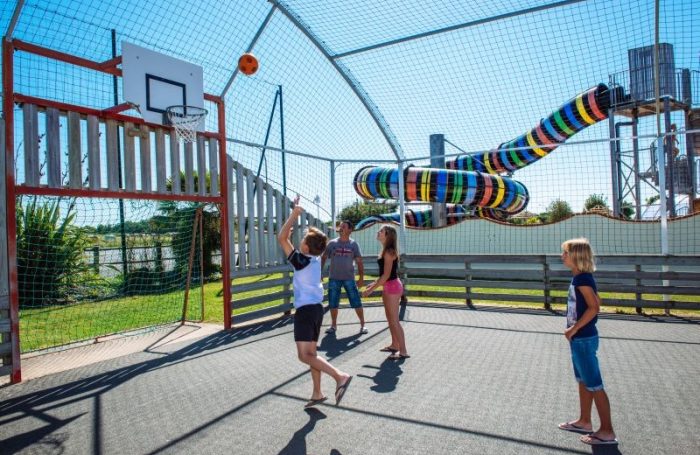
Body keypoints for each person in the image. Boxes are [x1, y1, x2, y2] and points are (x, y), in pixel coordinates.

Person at [277, 196, 352, 407]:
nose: (300, 241)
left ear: (307, 248)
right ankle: (317, 393)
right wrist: (292, 225)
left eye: (303, 240)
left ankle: (339, 376)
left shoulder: (301, 260)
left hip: (306, 311)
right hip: (317, 310)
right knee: (312, 354)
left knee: (304, 356)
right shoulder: (315, 259)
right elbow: (289, 239)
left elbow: (281, 238)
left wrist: (294, 214)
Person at [557, 238, 617, 446]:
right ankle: (584, 421)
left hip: (583, 338)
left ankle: (607, 431)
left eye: (565, 253)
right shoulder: (581, 278)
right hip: (579, 338)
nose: (562, 256)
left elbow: (594, 307)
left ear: (575, 256)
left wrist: (574, 328)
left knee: (594, 384)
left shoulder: (582, 279)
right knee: (583, 381)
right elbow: (597, 301)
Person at [362, 225, 409, 360]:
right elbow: (384, 274)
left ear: (388, 235)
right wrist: (373, 284)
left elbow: (387, 275)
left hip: (393, 287)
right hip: (388, 286)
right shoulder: (385, 251)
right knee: (390, 319)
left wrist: (371, 289)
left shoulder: (389, 252)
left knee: (394, 320)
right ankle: (394, 345)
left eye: (381, 231)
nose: (378, 232)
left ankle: (403, 351)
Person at [321, 220, 367, 335]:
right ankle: (333, 326)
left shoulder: (354, 244)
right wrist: (319, 272)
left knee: (356, 301)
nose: (341, 228)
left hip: (349, 279)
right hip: (334, 278)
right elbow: (323, 257)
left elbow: (359, 262)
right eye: (340, 226)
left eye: (344, 226)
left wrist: (361, 278)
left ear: (350, 230)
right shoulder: (332, 243)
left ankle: (363, 325)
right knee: (333, 302)